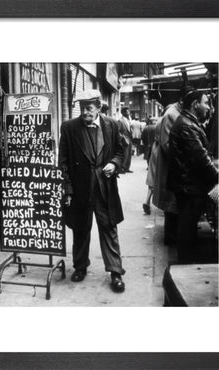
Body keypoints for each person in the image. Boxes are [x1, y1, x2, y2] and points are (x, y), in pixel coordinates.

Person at [59, 89, 126, 293]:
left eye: (89, 108)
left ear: (98, 107)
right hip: (80, 188)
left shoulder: (111, 125)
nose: (85, 112)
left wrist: (114, 163)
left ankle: (115, 271)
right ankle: (80, 266)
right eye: (81, 108)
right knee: (80, 228)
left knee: (108, 227)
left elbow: (120, 151)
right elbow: (63, 161)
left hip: (104, 188)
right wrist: (68, 189)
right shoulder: (69, 127)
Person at [168, 89, 219, 263]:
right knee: (187, 227)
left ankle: (186, 260)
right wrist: (218, 176)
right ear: (195, 104)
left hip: (188, 184)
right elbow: (200, 159)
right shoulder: (186, 125)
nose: (208, 108)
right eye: (206, 103)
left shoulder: (188, 122)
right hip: (189, 186)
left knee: (187, 226)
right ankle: (185, 264)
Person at [152, 86, 194, 245]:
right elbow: (167, 144)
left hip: (175, 167)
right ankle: (170, 238)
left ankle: (173, 236)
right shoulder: (172, 114)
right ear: (182, 100)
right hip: (171, 168)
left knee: (174, 205)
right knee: (171, 205)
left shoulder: (179, 113)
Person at [141, 117, 158, 215]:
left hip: (149, 147)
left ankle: (147, 201)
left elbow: (143, 137)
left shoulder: (146, 128)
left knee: (151, 173)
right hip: (157, 149)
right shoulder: (158, 127)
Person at [117, 107, 133, 173]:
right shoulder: (120, 121)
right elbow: (118, 131)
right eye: (127, 112)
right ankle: (122, 168)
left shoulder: (128, 120)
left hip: (129, 139)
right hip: (124, 140)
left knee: (129, 154)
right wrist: (123, 137)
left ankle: (127, 168)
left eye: (129, 111)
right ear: (123, 113)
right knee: (125, 154)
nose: (128, 113)